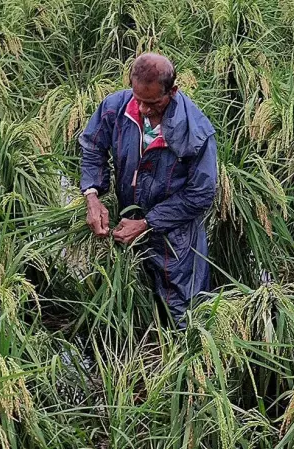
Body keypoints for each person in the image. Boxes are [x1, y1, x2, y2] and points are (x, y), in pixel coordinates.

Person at [78, 53, 217, 329]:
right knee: (134, 308)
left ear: (173, 91)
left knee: (186, 317)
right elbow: (93, 146)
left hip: (175, 239)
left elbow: (201, 193)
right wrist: (91, 195)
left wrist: (147, 223)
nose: (142, 109)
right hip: (126, 223)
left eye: (152, 103)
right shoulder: (114, 108)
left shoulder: (195, 132)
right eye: (137, 98)